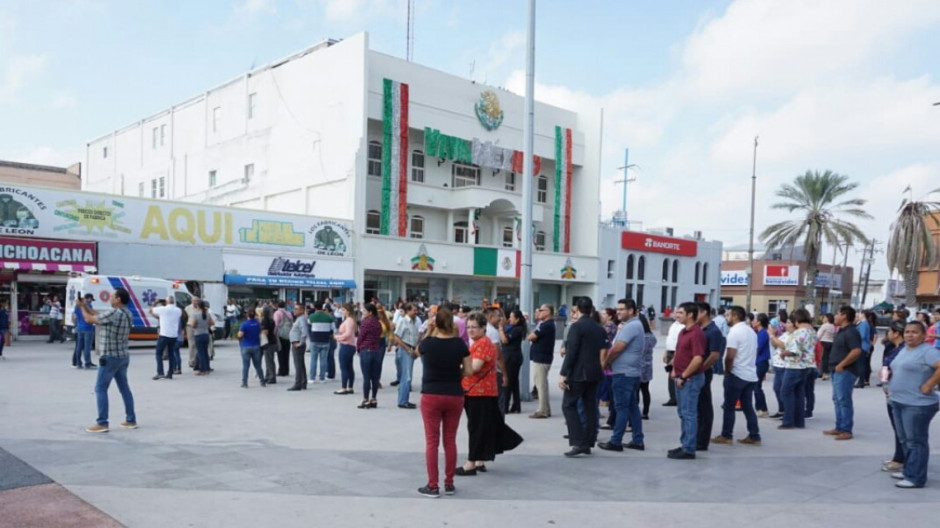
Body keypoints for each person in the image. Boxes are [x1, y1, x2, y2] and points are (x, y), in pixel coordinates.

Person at [417, 306, 471, 498]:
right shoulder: (459, 344)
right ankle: (449, 483)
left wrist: (430, 329)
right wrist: (456, 373)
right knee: (450, 440)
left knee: (432, 441)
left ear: (436, 323)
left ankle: (433, 485)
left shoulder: (428, 343)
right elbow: (469, 370)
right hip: (454, 394)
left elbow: (418, 350)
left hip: (431, 394)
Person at [886, 320, 940, 488]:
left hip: (918, 404)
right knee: (904, 439)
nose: (910, 335)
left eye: (915, 332)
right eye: (907, 331)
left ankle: (915, 477)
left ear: (924, 335)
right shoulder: (905, 350)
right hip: (898, 401)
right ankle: (909, 469)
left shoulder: (928, 351)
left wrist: (929, 384)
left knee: (916, 440)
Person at [79, 289, 137, 433]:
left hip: (109, 356)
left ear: (118, 299)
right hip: (123, 355)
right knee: (124, 388)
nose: (110, 298)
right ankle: (131, 420)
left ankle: (102, 422)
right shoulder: (127, 313)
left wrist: (81, 308)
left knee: (100, 388)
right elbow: (99, 315)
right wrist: (85, 306)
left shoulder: (114, 313)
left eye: (112, 296)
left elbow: (90, 319)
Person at [457, 312, 507, 474]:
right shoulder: (479, 342)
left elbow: (475, 368)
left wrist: (455, 371)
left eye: (474, 327)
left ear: (483, 328)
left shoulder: (483, 343)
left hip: (479, 392)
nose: (470, 330)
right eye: (468, 327)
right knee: (481, 427)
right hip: (479, 391)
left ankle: (471, 463)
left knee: (476, 427)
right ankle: (479, 460)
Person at [559, 297, 606, 457]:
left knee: (568, 405)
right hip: (594, 373)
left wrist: (563, 373)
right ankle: (588, 441)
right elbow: (603, 350)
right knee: (590, 407)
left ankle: (578, 441)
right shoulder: (599, 328)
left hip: (579, 373)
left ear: (578, 309)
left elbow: (571, 353)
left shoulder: (577, 327)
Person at [598, 298, 645, 452]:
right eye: (617, 309)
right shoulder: (630, 325)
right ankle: (637, 440)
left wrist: (606, 361)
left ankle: (616, 441)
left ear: (631, 311)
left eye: (621, 309)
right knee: (631, 407)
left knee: (621, 407)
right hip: (629, 372)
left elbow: (618, 347)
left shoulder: (631, 326)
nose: (618, 312)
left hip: (624, 373)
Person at [712, 306, 761, 446]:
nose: (726, 317)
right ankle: (754, 435)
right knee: (747, 407)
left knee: (729, 406)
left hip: (737, 374)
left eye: (728, 315)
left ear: (735, 316)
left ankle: (726, 435)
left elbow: (730, 356)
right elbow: (755, 352)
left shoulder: (734, 332)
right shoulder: (751, 331)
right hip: (750, 374)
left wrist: (728, 371)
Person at [668, 302, 706, 460]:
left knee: (689, 414)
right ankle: (685, 444)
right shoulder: (683, 331)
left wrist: (684, 376)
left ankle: (689, 448)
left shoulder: (696, 333)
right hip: (681, 377)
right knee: (683, 413)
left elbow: (698, 359)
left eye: (680, 312)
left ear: (690, 314)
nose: (676, 315)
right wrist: (674, 369)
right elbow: (679, 352)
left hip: (690, 379)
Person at [772, 309, 815, 429]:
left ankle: (788, 421)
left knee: (786, 391)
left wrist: (784, 353)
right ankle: (799, 421)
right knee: (799, 393)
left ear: (797, 320)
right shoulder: (811, 331)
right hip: (806, 365)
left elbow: (794, 350)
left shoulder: (800, 332)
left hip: (795, 365)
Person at [825, 305, 863, 441]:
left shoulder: (851, 332)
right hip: (836, 370)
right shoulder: (841, 331)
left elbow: (856, 351)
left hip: (845, 371)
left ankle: (846, 429)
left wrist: (842, 364)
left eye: (837, 314)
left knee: (844, 400)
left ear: (844, 315)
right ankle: (839, 426)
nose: (835, 316)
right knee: (837, 399)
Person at [695, 302, 725, 451]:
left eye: (697, 313)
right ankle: (696, 436)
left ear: (704, 313)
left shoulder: (713, 331)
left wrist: (700, 369)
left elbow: (714, 356)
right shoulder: (699, 329)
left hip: (704, 372)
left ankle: (702, 440)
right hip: (697, 371)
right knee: (697, 407)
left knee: (704, 406)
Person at [880, 320, 907, 473]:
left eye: (889, 331)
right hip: (890, 391)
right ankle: (899, 456)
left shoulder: (903, 350)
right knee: (897, 427)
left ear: (896, 333)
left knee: (901, 428)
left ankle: (901, 459)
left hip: (898, 393)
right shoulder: (894, 348)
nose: (888, 334)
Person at [528, 304, 556, 419]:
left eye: (542, 310)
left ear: (549, 312)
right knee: (541, 384)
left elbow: (532, 337)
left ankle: (542, 410)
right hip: (540, 357)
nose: (539, 312)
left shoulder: (546, 325)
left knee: (541, 385)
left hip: (542, 358)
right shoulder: (544, 324)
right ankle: (546, 408)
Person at [499, 308, 525, 414]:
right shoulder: (512, 328)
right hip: (510, 356)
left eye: (511, 317)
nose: (509, 319)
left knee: (508, 382)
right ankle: (516, 405)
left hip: (512, 358)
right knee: (514, 382)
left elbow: (505, 340)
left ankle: (505, 406)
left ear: (517, 319)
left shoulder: (517, 329)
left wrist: (500, 329)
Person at [394, 303, 420, 409]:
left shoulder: (415, 321)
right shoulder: (403, 321)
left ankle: (403, 399)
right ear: (408, 311)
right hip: (405, 349)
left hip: (411, 348)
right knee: (407, 376)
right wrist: (407, 349)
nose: (416, 312)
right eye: (414, 310)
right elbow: (396, 337)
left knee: (407, 375)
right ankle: (403, 401)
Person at [357, 303, 383, 407]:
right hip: (376, 350)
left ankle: (365, 399)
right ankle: (374, 398)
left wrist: (358, 348)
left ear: (370, 312)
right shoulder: (378, 323)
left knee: (366, 377)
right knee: (375, 377)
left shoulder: (365, 323)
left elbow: (361, 337)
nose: (363, 313)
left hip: (366, 350)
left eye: (364, 311)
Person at [149, 296, 181, 380]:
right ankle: (170, 373)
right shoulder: (178, 310)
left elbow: (151, 310)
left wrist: (155, 302)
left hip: (164, 335)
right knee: (171, 354)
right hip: (173, 335)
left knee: (158, 353)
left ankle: (160, 372)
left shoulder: (162, 309)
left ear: (166, 302)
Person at [237, 308, 266, 388]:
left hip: (246, 346)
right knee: (258, 365)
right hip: (256, 346)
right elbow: (261, 332)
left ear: (247, 315)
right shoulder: (258, 324)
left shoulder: (244, 324)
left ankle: (244, 383)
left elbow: (240, 335)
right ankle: (262, 381)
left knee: (246, 366)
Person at [333, 303, 357, 395]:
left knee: (344, 367)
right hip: (349, 345)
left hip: (346, 345)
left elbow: (348, 334)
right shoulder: (350, 320)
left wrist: (337, 337)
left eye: (343, 310)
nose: (341, 311)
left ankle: (344, 387)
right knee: (349, 367)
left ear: (348, 311)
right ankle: (350, 386)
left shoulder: (349, 321)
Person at [307, 300, 334, 384]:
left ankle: (312, 378)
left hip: (314, 340)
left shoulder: (311, 316)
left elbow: (309, 326)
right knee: (323, 360)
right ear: (322, 306)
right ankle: (322, 378)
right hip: (326, 340)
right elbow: (333, 329)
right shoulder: (329, 317)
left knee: (313, 360)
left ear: (315, 307)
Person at [638, 313, 656, 420]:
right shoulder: (651, 336)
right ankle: (645, 411)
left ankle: (636, 411)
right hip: (648, 365)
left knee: (635, 391)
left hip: (639, 365)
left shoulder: (641, 337)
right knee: (645, 390)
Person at [753, 313, 771, 417]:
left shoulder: (763, 333)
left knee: (756, 386)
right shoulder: (758, 333)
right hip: (759, 362)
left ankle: (762, 409)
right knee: (757, 386)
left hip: (761, 362)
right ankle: (762, 408)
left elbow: (757, 349)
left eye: (755, 320)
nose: (753, 322)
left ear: (759, 322)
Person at [287, 303, 309, 391]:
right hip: (296, 342)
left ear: (302, 310)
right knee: (300, 364)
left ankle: (298, 383)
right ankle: (303, 382)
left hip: (298, 344)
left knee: (298, 365)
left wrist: (301, 342)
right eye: (294, 309)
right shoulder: (299, 319)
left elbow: (304, 332)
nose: (294, 310)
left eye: (296, 309)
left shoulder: (302, 319)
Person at [662, 316, 684, 406]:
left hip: (678, 352)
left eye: (680, 313)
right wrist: (665, 352)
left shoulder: (683, 326)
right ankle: (673, 397)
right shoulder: (673, 325)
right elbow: (669, 339)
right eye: (676, 313)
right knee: (670, 376)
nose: (677, 315)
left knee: (677, 375)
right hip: (670, 351)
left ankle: (679, 398)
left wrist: (675, 357)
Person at [72, 293, 97, 369]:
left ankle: (79, 363)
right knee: (87, 347)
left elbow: (74, 316)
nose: (91, 301)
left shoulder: (77, 306)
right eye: (91, 299)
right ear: (88, 298)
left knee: (79, 347)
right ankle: (87, 363)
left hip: (79, 328)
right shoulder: (88, 306)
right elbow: (92, 315)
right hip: (88, 328)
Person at [189, 301, 214, 376]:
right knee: (205, 352)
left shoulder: (196, 315)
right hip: (205, 334)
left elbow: (193, 325)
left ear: (198, 306)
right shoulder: (207, 314)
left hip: (198, 334)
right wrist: (206, 326)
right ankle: (207, 368)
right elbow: (212, 323)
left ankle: (202, 369)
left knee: (200, 353)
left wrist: (192, 325)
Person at [273, 301, 293, 377]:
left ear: (277, 305)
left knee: (280, 353)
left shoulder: (277, 313)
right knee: (286, 353)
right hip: (288, 335)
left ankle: (281, 370)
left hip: (280, 335)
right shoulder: (289, 313)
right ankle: (286, 370)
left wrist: (274, 334)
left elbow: (276, 324)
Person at [856, 310, 874, 388]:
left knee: (861, 364)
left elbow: (862, 335)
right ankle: (861, 381)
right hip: (863, 346)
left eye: (860, 313)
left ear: (863, 314)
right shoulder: (865, 324)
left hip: (862, 346)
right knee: (862, 364)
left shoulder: (863, 324)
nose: (858, 315)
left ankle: (861, 381)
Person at [260, 306, 278, 385]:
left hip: (267, 342)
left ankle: (271, 377)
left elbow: (265, 332)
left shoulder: (264, 321)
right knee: (269, 360)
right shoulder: (272, 320)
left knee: (269, 360)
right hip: (272, 341)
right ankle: (268, 376)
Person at [817, 313, 836, 381]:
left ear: (827, 318)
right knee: (827, 358)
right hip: (831, 342)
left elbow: (818, 335)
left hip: (824, 342)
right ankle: (827, 372)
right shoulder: (832, 326)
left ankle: (824, 373)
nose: (823, 319)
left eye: (824, 317)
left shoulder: (824, 326)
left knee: (823, 358)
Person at [712, 307, 730, 375]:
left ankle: (715, 369)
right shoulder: (723, 320)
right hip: (722, 337)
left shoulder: (714, 319)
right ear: (724, 313)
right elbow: (725, 331)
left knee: (714, 352)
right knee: (720, 354)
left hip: (714, 337)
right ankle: (720, 370)